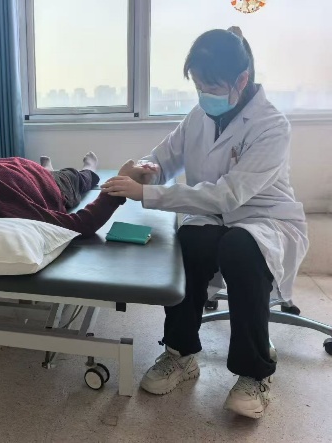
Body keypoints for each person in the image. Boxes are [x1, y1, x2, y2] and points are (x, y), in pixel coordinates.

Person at [102, 27, 308, 419]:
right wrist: (146, 169)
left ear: (241, 80)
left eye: (211, 87)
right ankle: (180, 353)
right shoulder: (199, 116)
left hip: (265, 220)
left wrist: (147, 193)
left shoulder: (271, 125)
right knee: (191, 241)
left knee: (240, 247)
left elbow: (228, 195)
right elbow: (165, 157)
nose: (203, 94)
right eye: (197, 86)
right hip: (212, 216)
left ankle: (254, 373)